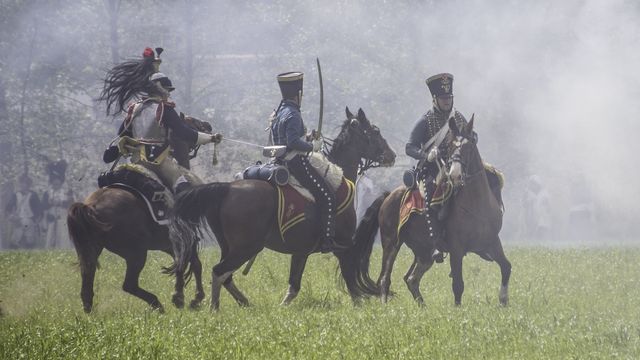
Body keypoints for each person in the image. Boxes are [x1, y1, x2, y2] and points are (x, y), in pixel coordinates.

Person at [99, 47, 221, 193]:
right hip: (159, 162)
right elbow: (184, 133)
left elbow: (122, 135)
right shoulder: (165, 108)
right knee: (184, 187)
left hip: (136, 161)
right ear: (161, 89)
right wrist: (211, 138)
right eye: (168, 90)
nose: (169, 94)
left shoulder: (135, 108)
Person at [270, 71, 344, 253]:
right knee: (327, 196)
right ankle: (327, 240)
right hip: (296, 163)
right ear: (299, 94)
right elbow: (292, 142)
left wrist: (309, 137)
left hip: (280, 161)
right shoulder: (293, 113)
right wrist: (313, 147)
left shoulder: (279, 112)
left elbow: (290, 137)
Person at [405, 73, 474, 262]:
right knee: (430, 198)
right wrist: (426, 155)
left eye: (449, 98)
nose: (446, 101)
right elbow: (409, 147)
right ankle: (435, 243)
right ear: (435, 99)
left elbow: (472, 135)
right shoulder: (425, 120)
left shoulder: (458, 118)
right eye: (443, 98)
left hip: (456, 166)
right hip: (431, 169)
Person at [42, 159, 74, 249]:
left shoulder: (67, 191)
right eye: (54, 181)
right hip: (51, 216)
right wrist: (50, 204)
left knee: (63, 235)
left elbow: (71, 204)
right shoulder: (47, 193)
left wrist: (61, 203)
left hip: (63, 216)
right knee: (50, 236)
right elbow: (44, 206)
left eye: (58, 180)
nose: (56, 183)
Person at [5, 173, 42, 249]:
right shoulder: (16, 195)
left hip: (30, 219)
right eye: (21, 183)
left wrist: (37, 219)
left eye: (25, 183)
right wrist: (11, 216)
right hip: (18, 219)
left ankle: (25, 246)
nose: (23, 185)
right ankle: (15, 246)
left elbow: (38, 208)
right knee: (19, 232)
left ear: (28, 185)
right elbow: (8, 207)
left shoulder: (33, 195)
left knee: (27, 233)